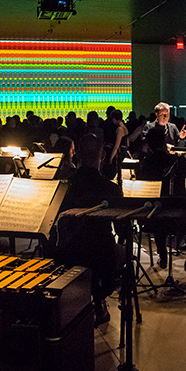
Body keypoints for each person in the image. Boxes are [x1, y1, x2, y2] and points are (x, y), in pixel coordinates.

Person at [55, 134, 125, 325]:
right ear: (102, 155)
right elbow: (122, 232)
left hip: (68, 252)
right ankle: (100, 299)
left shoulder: (64, 185)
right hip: (102, 256)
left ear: (77, 153)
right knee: (121, 251)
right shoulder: (110, 189)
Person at [137, 127, 186, 271]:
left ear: (148, 145)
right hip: (179, 218)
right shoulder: (177, 161)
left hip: (150, 220)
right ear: (164, 142)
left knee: (159, 210)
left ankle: (162, 255)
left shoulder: (144, 164)